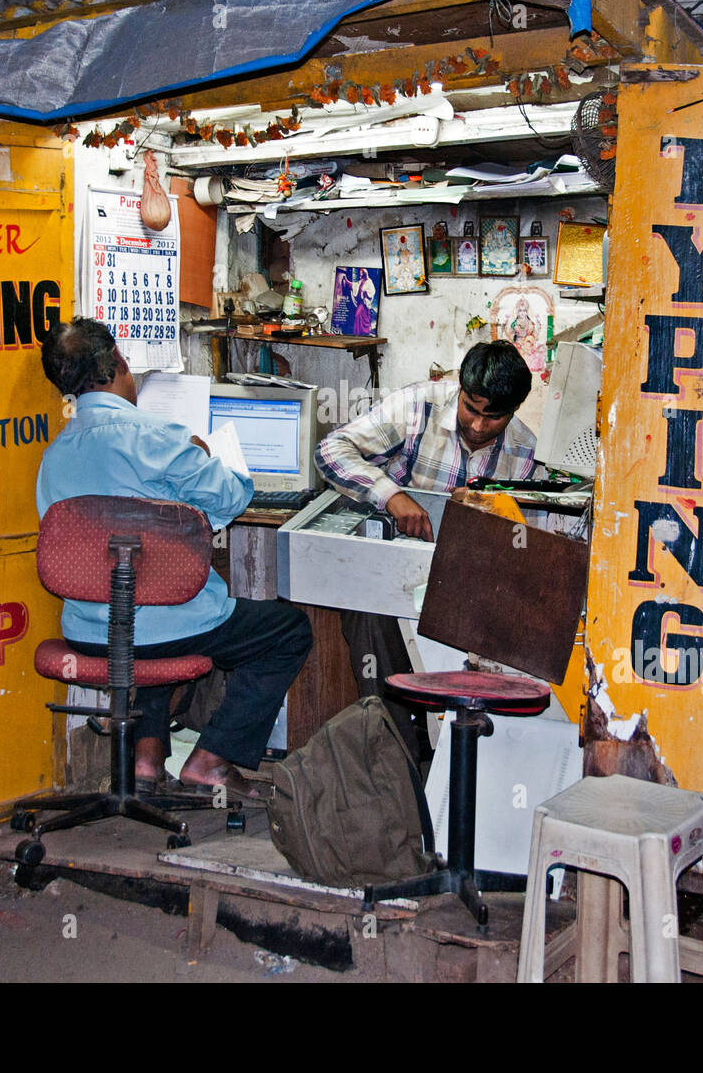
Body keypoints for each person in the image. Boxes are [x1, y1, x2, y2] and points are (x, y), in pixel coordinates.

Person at [36, 317, 311, 800]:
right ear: (119, 363)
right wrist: (208, 456)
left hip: (89, 633)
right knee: (287, 631)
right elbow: (229, 500)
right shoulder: (158, 437)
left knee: (149, 618)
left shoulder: (54, 456)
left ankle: (146, 761)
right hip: (166, 628)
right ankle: (211, 759)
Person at [314, 340, 538, 758]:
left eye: (494, 418)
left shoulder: (526, 453)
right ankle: (395, 757)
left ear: (514, 411)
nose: (477, 426)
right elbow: (331, 450)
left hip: (467, 583)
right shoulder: (418, 407)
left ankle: (454, 759)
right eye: (471, 408)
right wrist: (391, 495)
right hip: (395, 571)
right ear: (460, 388)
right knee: (371, 615)